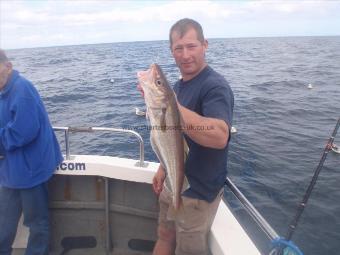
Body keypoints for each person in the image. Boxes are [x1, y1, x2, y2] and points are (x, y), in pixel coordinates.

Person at [151, 18, 234, 255]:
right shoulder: (177, 87)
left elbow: (219, 136)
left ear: (205, 45)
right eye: (179, 48)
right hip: (172, 183)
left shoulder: (215, 86)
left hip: (198, 193)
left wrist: (170, 106)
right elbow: (174, 138)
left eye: (191, 46)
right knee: (164, 235)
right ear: (172, 51)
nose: (185, 55)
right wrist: (162, 169)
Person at [0, 49, 63, 255]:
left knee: (37, 224)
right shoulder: (3, 90)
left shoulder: (22, 89)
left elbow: (23, 131)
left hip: (31, 170)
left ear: (8, 67)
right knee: (4, 224)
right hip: (10, 170)